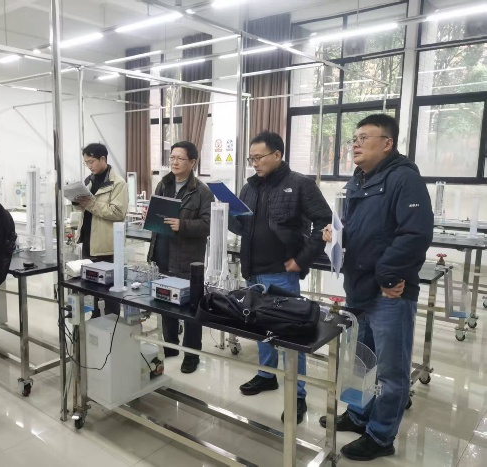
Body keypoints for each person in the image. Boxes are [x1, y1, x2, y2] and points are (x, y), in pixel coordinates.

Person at [320, 114, 433, 461]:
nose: (355, 144)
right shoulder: (358, 180)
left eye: (363, 138)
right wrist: (334, 234)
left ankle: (381, 435)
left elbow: (415, 234)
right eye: (353, 138)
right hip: (359, 288)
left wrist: (388, 277)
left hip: (388, 294)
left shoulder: (404, 179)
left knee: (390, 371)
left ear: (387, 143)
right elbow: (355, 228)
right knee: (362, 362)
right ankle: (359, 415)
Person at [229, 131, 331, 424]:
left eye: (259, 157)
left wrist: (302, 259)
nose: (254, 163)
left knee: (289, 333)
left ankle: (298, 394)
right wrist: (227, 214)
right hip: (253, 269)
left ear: (277, 155)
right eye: (251, 158)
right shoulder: (249, 187)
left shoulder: (300, 184)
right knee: (258, 324)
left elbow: (324, 222)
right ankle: (266, 375)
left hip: (282, 272)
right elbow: (242, 228)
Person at [147, 141, 214, 374]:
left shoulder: (202, 192)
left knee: (190, 308)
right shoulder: (163, 185)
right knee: (165, 301)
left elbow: (208, 224)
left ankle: (191, 354)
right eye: (172, 158)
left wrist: (182, 225)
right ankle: (171, 345)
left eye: (180, 158)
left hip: (187, 258)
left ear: (193, 162)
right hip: (162, 252)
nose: (174, 162)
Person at [76, 143, 128, 318]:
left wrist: (90, 204)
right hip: (88, 242)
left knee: (109, 291)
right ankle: (95, 322)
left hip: (107, 247)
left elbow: (117, 212)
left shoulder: (118, 184)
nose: (89, 166)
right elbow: (85, 208)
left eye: (91, 162)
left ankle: (111, 323)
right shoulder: (88, 181)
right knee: (91, 289)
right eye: (86, 163)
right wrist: (76, 201)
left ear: (103, 159)